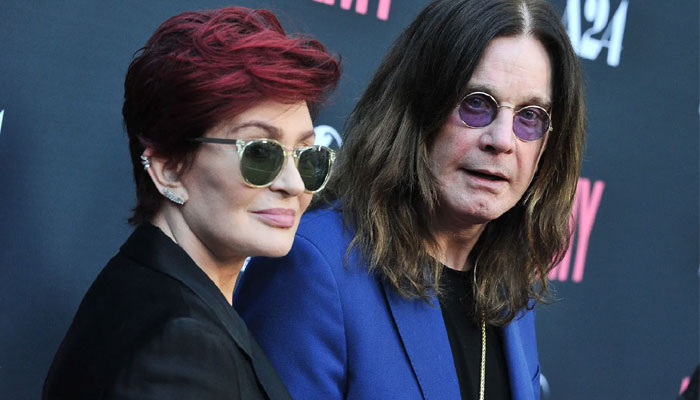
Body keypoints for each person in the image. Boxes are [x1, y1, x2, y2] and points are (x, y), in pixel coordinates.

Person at [234, 0, 585, 399]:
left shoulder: (509, 290)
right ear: (417, 108)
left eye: (530, 116)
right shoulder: (314, 264)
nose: (502, 140)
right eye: (476, 103)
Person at [43, 7, 340, 399]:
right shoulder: (180, 347)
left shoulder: (146, 291)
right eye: (260, 152)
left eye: (307, 156)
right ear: (168, 169)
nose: (294, 184)